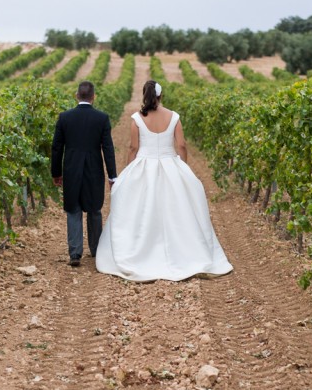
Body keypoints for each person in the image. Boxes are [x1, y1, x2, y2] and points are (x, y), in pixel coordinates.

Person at [95, 80, 233, 281]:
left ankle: (142, 253)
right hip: (170, 164)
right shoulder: (174, 117)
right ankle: (186, 254)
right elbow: (182, 145)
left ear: (145, 95)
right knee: (178, 209)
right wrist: (182, 166)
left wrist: (129, 170)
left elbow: (133, 148)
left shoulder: (137, 118)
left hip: (144, 165)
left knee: (140, 209)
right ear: (161, 96)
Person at [51, 81, 117, 267]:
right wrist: (112, 175)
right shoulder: (102, 118)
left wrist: (56, 172)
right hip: (93, 169)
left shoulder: (64, 118)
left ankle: (75, 253)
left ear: (76, 95)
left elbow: (56, 148)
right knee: (95, 209)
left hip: (71, 169)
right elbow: (108, 148)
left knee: (73, 209)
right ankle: (96, 250)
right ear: (93, 97)